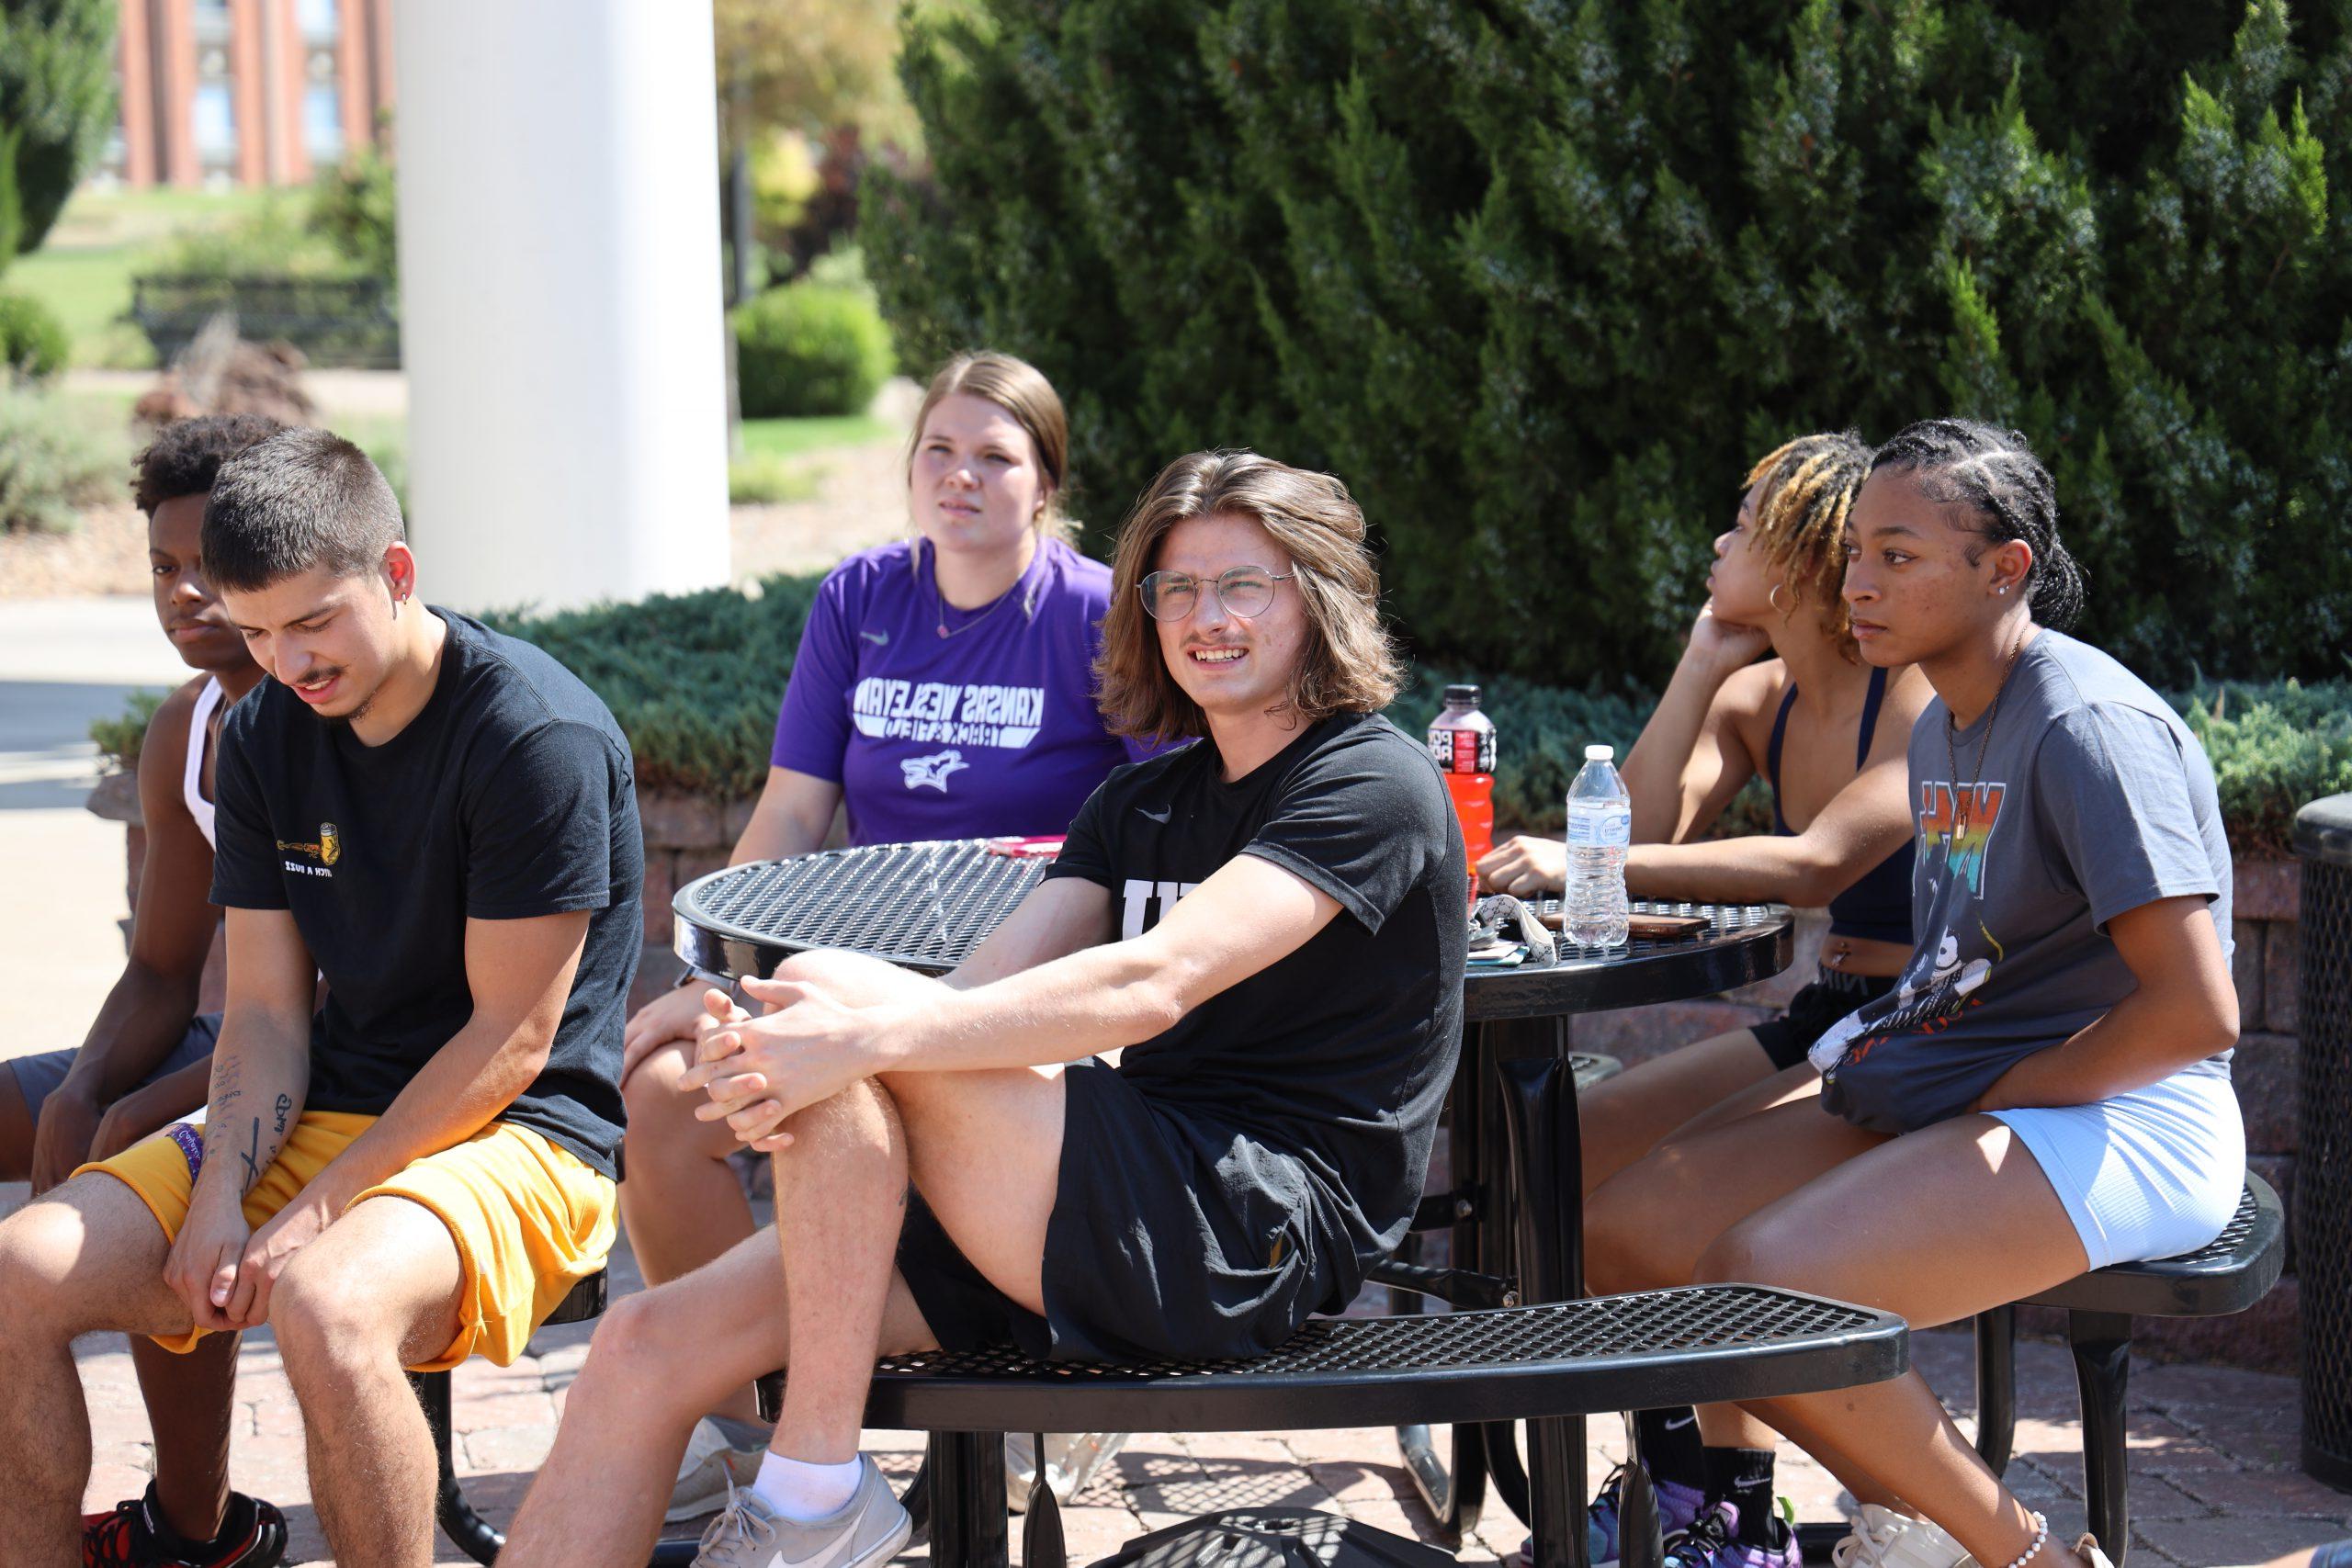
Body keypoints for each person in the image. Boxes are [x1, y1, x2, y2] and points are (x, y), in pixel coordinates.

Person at [494, 449, 1468, 1568]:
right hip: (1073, 1211)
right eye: (1176, 589)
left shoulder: (1369, 782)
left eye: (1245, 583)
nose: (1207, 616)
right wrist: (759, 1022)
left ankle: (812, 1489)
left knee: (841, 1006)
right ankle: (816, 1494)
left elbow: (1149, 986)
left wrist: (834, 1026)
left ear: (1321, 598)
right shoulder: (1140, 800)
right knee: (641, 1344)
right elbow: (971, 999)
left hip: (1241, 1229)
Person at [1584, 420, 2244, 1568]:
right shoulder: (1943, 720)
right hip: (1976, 1073)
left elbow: (2196, 1014)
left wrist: (2009, 1083)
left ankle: (2020, 1555)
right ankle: (1849, 1514)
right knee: (1630, 1230)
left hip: (2134, 1109)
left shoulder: (2087, 726)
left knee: (1765, 1275)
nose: (1858, 584)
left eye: (1898, 555)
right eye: (1855, 556)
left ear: (2005, 570)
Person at [0, 427, 643, 1568]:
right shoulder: (260, 737)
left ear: (396, 573)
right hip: (335, 1105)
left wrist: (314, 1212)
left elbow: (510, 1042)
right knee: (20, 1273)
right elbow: (262, 1015)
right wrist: (221, 1195)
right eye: (257, 634)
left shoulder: (530, 736)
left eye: (311, 623)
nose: (288, 665)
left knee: (328, 1306)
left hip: (527, 1133)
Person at [617, 351, 1157, 1517]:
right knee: (663, 1095)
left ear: (1046, 482)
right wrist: (700, 971)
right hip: (843, 971)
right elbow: (794, 809)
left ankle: (1021, 1399)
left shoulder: (1100, 614)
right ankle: (758, 1437)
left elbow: (1165, 827)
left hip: (1017, 991)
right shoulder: (860, 599)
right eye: (938, 451)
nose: (960, 478)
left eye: (994, 457)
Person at [1478, 431, 1928, 1567]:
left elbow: (1816, 863)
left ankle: (1724, 1499)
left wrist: (1592, 863)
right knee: (1566, 1155)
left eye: (1744, 525)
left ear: (1800, 559)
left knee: (1670, 1212)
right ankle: (1701, 1488)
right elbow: (1628, 831)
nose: (1718, 540)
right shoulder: (1755, 700)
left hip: (1921, 1031)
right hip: (1826, 1016)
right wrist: (1697, 664)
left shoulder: (1914, 700)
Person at [0, 414, 288, 1568]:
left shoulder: (316, 709)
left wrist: (129, 1109)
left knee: (145, 1157)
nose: (182, 595)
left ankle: (192, 1526)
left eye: (208, 567)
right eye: (162, 569)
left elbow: (318, 1006)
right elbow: (162, 969)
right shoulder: (188, 725)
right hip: (217, 1030)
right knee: (74, 1112)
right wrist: (81, 1085)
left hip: (310, 1055)